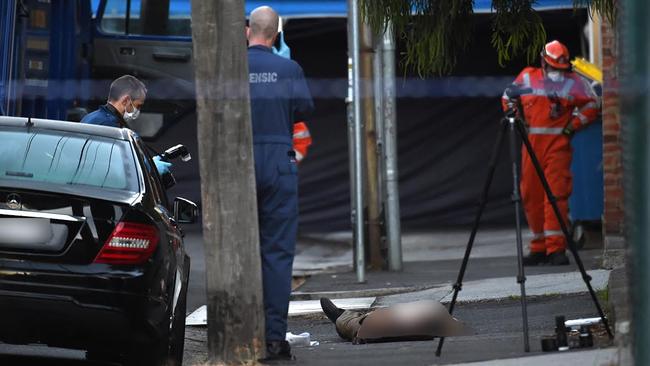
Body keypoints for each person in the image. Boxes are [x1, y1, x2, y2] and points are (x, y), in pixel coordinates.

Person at [247, 6, 314, 361]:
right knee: (276, 254)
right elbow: (304, 110)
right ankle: (273, 339)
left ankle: (241, 336)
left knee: (239, 252)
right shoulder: (289, 68)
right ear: (276, 36)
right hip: (278, 160)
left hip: (237, 163)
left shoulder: (232, 68)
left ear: (248, 31)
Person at [502, 40, 599, 266]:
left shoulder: (573, 82)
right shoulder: (528, 77)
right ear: (544, 63)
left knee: (555, 196)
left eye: (561, 69)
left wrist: (571, 126)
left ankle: (557, 249)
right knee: (531, 195)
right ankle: (539, 247)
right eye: (554, 68)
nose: (557, 73)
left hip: (558, 146)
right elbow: (508, 96)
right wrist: (514, 117)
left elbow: (592, 105)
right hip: (532, 145)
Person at [81, 75, 171, 174]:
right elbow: (120, 169)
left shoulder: (91, 117)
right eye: (138, 105)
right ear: (126, 100)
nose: (138, 110)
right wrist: (150, 169)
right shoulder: (110, 127)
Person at [320, 298, 470, 344]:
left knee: (358, 322)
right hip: (433, 319)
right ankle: (346, 319)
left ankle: (345, 319)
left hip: (372, 325)